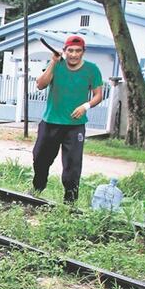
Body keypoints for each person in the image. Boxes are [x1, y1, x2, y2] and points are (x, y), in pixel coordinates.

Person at [32, 34, 104, 203]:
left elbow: (98, 95)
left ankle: (70, 202)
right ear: (64, 51)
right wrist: (53, 62)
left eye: (78, 51)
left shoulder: (92, 69)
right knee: (40, 158)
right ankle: (37, 189)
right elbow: (40, 84)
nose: (73, 54)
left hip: (75, 125)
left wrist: (85, 106)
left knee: (73, 165)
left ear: (83, 52)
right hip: (51, 121)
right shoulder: (56, 65)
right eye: (70, 50)